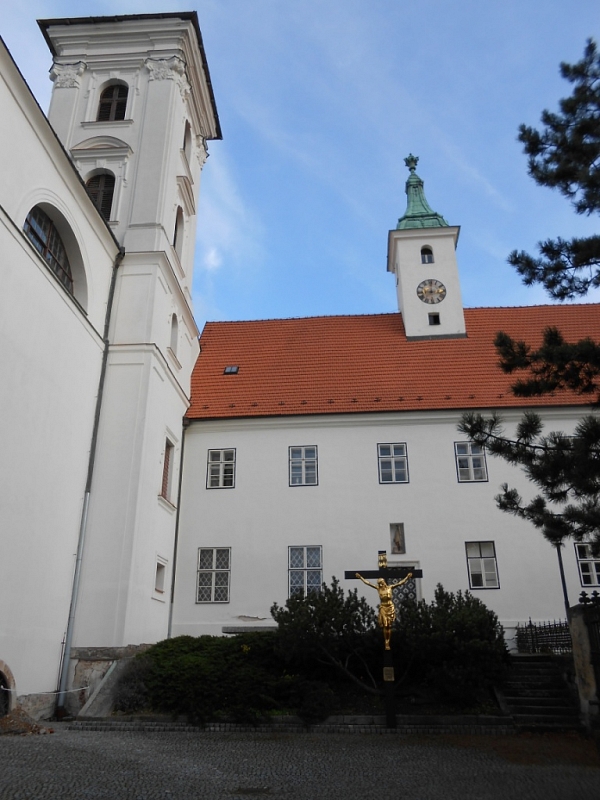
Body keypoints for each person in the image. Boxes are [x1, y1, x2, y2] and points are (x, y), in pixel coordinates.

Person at [355, 572, 412, 650]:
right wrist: (361, 577)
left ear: (384, 582)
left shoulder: (390, 588)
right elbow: (368, 583)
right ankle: (386, 642)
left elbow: (400, 583)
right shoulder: (378, 589)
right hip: (383, 608)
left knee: (389, 626)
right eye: (379, 584)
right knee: (385, 625)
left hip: (390, 607)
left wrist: (407, 577)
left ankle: (388, 640)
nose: (380, 585)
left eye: (381, 583)